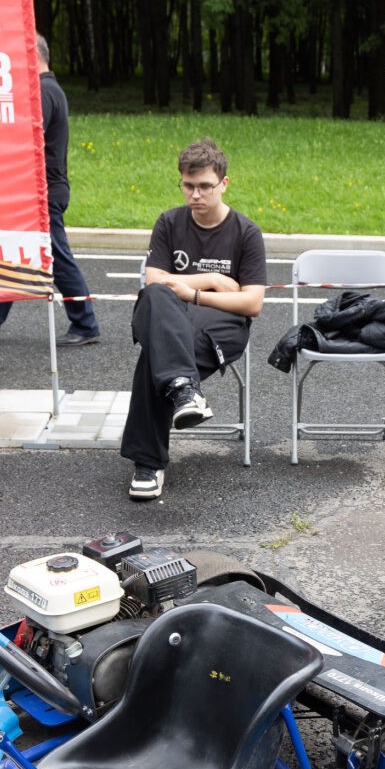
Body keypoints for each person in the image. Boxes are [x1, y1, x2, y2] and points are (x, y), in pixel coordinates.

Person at [122, 138, 266, 501]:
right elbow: (155, 282)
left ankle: (148, 463)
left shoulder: (246, 233)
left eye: (205, 186)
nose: (196, 195)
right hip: (170, 318)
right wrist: (212, 280)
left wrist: (191, 293)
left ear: (224, 183)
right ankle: (184, 390)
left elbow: (252, 303)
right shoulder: (169, 222)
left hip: (221, 328)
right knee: (155, 297)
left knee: (156, 356)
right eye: (188, 186)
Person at [0, 35, 99, 345]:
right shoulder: (48, 90)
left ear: (34, 56)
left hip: (44, 193)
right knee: (12, 254)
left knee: (57, 258)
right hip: (38, 191)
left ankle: (86, 325)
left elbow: (29, 138)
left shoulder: (44, 92)